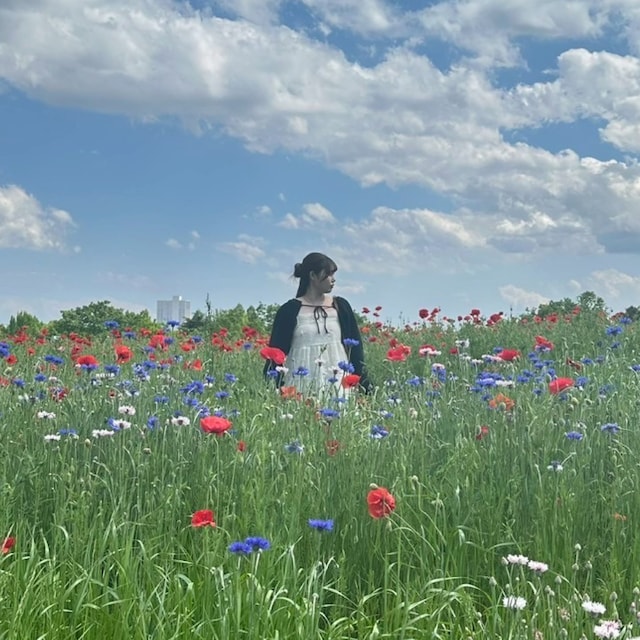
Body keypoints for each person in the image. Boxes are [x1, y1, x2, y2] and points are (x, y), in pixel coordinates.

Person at [263, 252, 371, 397]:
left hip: (338, 380)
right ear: (313, 275)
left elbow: (356, 351)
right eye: (328, 274)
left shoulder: (340, 306)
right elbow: (276, 353)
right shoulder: (289, 310)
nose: (333, 280)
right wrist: (272, 387)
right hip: (301, 380)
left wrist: (364, 385)